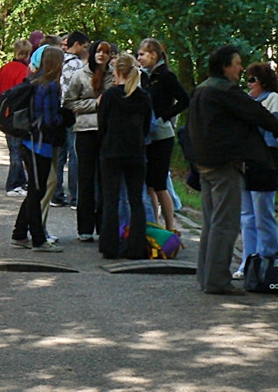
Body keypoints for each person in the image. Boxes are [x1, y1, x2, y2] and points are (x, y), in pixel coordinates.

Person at [187, 45, 278, 295]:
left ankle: (206, 277)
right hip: (224, 166)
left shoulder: (202, 89)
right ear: (225, 66)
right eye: (237, 64)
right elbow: (254, 112)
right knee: (225, 225)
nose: (240, 69)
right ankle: (217, 281)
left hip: (203, 165)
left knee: (211, 223)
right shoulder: (225, 90)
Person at [10, 47, 74, 252]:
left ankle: (20, 233)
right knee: (37, 192)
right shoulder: (49, 86)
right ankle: (38, 239)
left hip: (30, 142)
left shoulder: (35, 81)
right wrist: (65, 117)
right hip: (40, 145)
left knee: (35, 191)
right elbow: (49, 119)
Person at [233, 62, 278, 278]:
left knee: (263, 215)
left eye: (252, 80)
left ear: (263, 81)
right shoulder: (249, 102)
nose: (248, 85)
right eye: (246, 80)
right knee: (247, 215)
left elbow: (275, 135)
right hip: (247, 162)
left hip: (266, 163)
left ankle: (267, 262)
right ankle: (248, 261)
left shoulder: (275, 100)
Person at [98, 53, 152, 260]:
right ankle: (136, 247)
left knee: (111, 199)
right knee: (136, 199)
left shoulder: (110, 96)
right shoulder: (144, 97)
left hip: (112, 151)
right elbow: (147, 126)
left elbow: (102, 124)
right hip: (136, 152)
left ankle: (109, 246)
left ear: (117, 72)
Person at [137, 38, 189, 232]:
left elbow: (184, 100)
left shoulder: (167, 76)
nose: (139, 58)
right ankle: (154, 224)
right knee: (149, 184)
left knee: (159, 183)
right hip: (146, 135)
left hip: (162, 135)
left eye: (142, 54)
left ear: (153, 55)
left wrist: (164, 117)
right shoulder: (142, 76)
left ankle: (170, 226)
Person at [64, 39, 113, 241]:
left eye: (105, 52)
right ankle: (84, 228)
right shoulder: (79, 75)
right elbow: (69, 103)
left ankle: (104, 226)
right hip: (85, 130)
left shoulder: (114, 75)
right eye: (98, 51)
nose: (101, 55)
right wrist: (95, 104)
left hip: (108, 131)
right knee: (86, 179)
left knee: (106, 180)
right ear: (92, 54)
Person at [51, 30, 90, 208]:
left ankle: (56, 194)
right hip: (73, 114)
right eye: (84, 46)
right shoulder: (77, 65)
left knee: (59, 156)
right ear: (77, 45)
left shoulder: (58, 61)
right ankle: (76, 196)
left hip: (58, 113)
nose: (86, 50)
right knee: (75, 155)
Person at [0, 39, 32, 197]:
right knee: (18, 151)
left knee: (13, 150)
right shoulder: (24, 71)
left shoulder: (4, 68)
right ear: (28, 53)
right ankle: (14, 184)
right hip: (17, 117)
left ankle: (19, 182)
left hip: (4, 116)